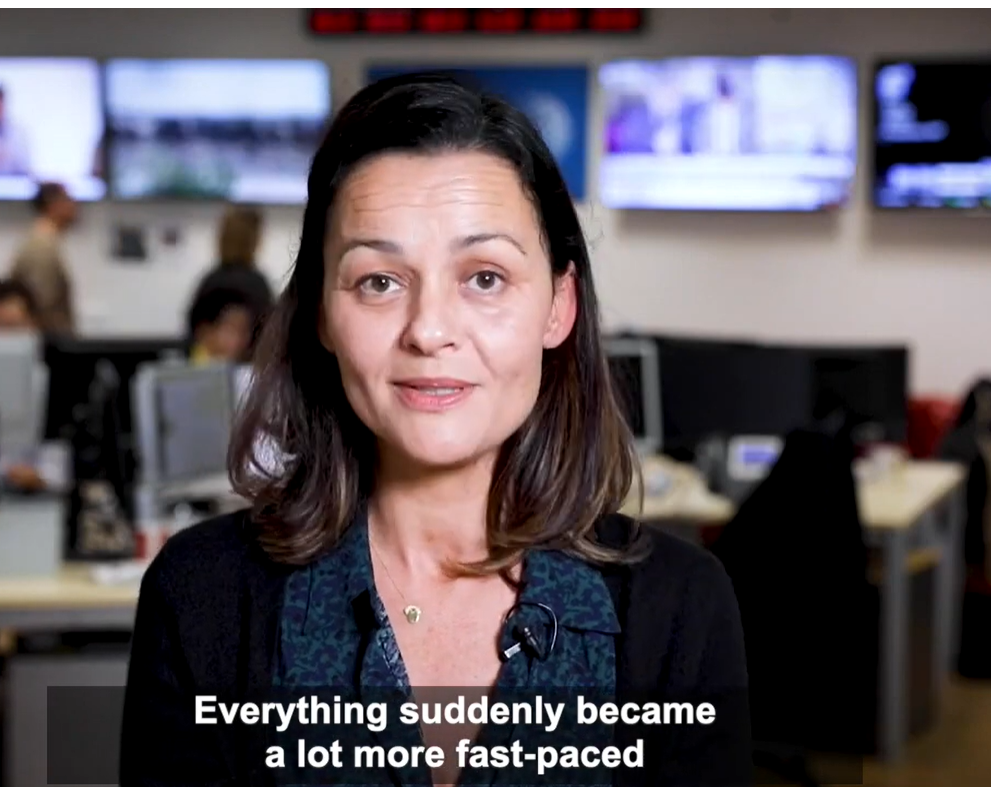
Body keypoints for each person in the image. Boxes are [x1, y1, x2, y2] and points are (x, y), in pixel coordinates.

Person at [121, 75, 750, 786]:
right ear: (322, 313)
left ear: (558, 305)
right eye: (378, 281)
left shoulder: (679, 606)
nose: (428, 330)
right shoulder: (202, 594)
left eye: (484, 278)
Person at [0, 276, 60, 493]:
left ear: (33, 324)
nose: (3, 339)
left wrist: (41, 476)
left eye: (12, 328)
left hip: (38, 494)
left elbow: (63, 462)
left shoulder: (52, 379)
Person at [185, 204, 275, 359]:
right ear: (253, 241)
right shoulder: (259, 286)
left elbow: (192, 336)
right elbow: (270, 336)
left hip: (209, 368)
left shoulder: (209, 283)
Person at [9, 182, 77, 335]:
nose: (75, 205)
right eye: (68, 199)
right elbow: (40, 305)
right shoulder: (42, 246)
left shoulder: (45, 241)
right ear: (53, 204)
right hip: (46, 342)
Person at [186, 280, 261, 365]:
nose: (241, 341)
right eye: (232, 329)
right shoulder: (182, 368)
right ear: (204, 331)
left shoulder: (248, 368)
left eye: (245, 331)